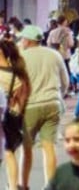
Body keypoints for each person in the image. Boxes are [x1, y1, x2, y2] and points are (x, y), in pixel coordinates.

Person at [18, 23, 68, 190]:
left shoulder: (21, 58)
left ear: (28, 40)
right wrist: (59, 94)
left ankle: (23, 184)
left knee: (26, 149)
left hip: (30, 106)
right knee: (49, 147)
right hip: (53, 103)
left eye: (23, 39)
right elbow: (65, 82)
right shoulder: (54, 55)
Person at [0, 39, 30, 190]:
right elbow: (21, 102)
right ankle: (12, 187)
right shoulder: (17, 76)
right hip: (11, 119)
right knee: (8, 153)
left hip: (3, 120)